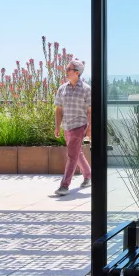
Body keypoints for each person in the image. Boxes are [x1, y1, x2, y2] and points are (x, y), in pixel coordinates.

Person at [53, 58, 92, 196]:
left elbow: (90, 111)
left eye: (69, 69)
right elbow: (58, 109)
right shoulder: (62, 88)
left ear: (77, 72)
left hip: (79, 125)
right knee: (76, 153)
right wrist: (57, 126)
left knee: (71, 155)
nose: (66, 71)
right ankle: (88, 175)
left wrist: (89, 129)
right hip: (67, 126)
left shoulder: (87, 89)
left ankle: (64, 185)